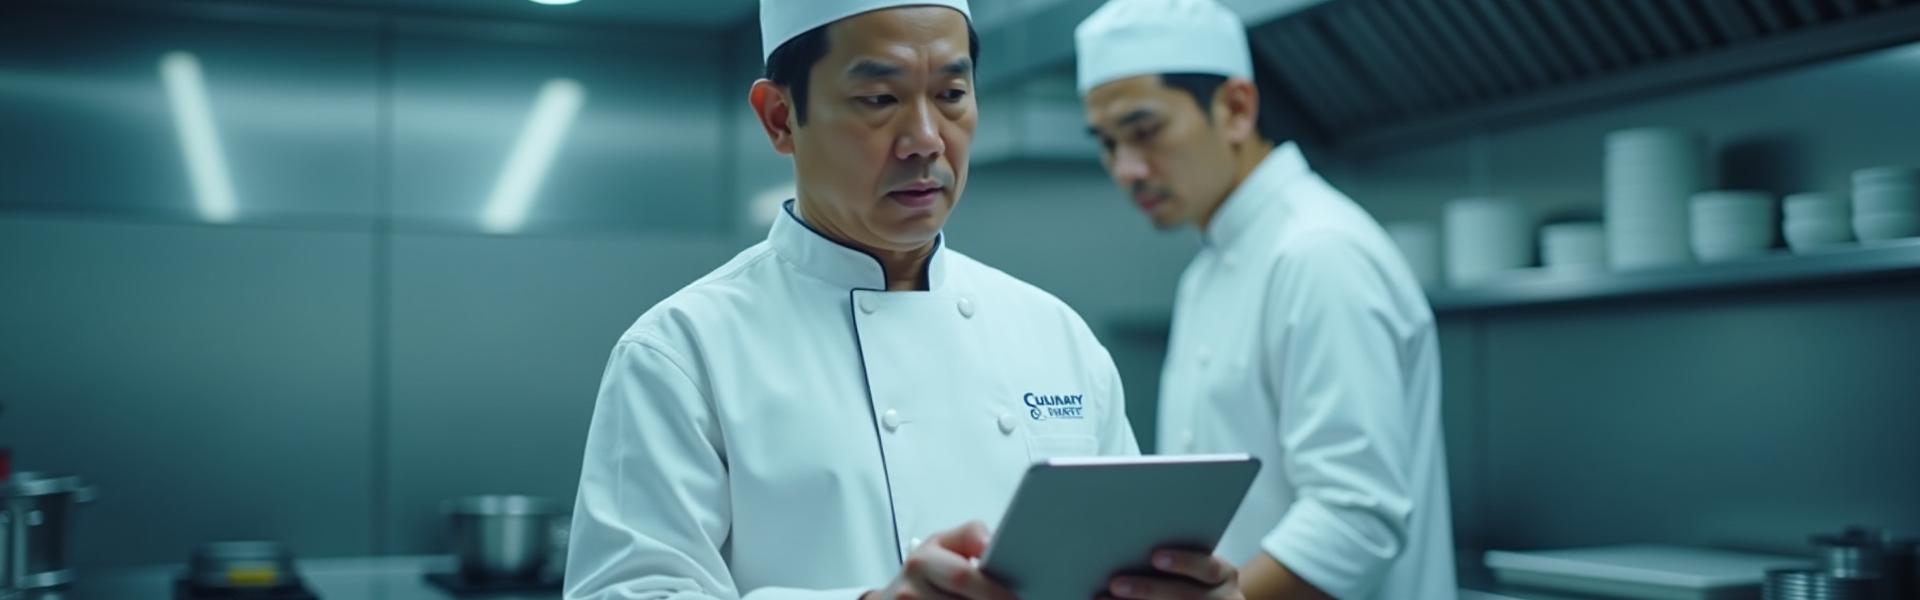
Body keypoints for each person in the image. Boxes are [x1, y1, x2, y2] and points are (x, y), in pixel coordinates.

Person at [565, 2, 1242, 599]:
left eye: (951, 93)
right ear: (780, 118)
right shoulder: (682, 353)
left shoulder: (1055, 335)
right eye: (878, 100)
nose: (925, 140)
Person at [1075, 0, 1458, 598]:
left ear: (1235, 108)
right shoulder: (1208, 271)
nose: (1126, 168)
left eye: (1145, 131)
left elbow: (1356, 519)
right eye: (1106, 143)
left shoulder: (1318, 252)